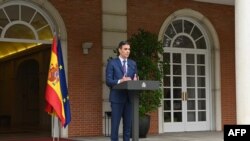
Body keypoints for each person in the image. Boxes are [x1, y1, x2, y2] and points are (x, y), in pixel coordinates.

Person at [105, 41, 138, 141]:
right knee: (115, 126)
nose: (128, 51)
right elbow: (108, 81)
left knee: (128, 126)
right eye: (125, 49)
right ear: (120, 50)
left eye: (129, 49)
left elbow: (134, 78)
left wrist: (135, 81)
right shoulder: (112, 63)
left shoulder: (133, 63)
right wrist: (120, 80)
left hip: (129, 98)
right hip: (117, 99)